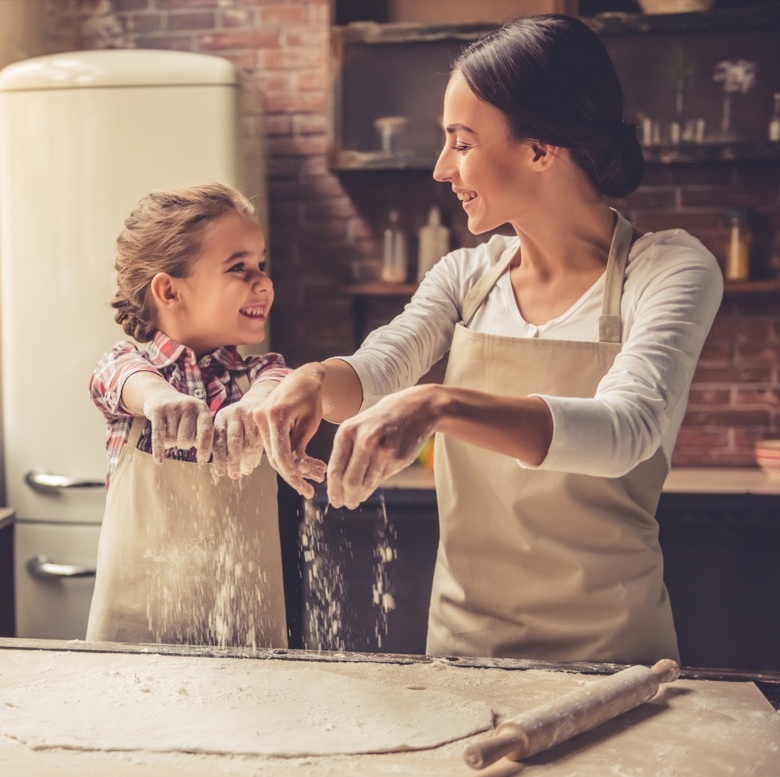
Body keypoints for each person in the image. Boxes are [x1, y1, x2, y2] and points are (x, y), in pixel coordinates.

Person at [254, 14, 722, 665]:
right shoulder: (466, 276)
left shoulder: (667, 268)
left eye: (462, 142)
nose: (443, 168)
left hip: (614, 657)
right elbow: (377, 368)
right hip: (465, 647)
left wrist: (439, 404)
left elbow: (627, 429)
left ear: (540, 148)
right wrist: (311, 379)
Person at [85, 182, 325, 648]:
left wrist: (257, 405)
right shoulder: (131, 370)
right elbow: (117, 377)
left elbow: (279, 384)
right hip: (136, 634)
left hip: (244, 632)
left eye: (262, 265)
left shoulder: (263, 375)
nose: (263, 283)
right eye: (239, 268)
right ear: (169, 290)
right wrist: (157, 397)